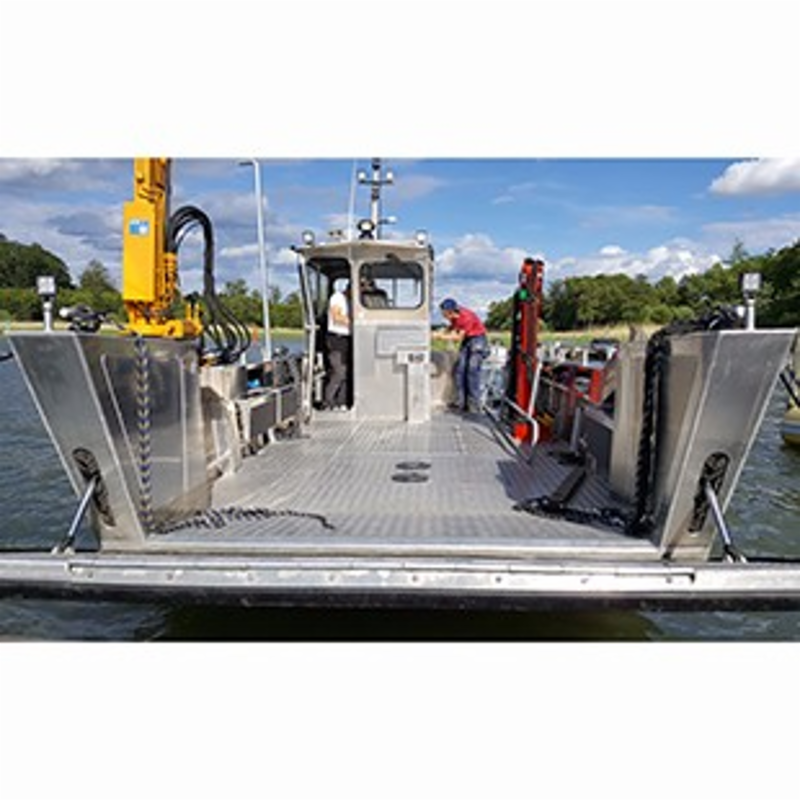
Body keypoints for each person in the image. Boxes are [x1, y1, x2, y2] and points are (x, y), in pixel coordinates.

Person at [440, 297, 489, 413]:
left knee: (472, 371)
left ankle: (474, 405)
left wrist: (440, 337)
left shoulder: (466, 317)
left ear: (450, 311)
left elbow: (458, 337)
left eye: (443, 313)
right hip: (468, 340)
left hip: (478, 340)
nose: (442, 315)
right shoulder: (454, 317)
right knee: (459, 371)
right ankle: (460, 402)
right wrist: (443, 331)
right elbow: (453, 327)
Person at [323, 280, 351, 409]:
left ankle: (342, 402)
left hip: (347, 339)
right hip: (336, 339)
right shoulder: (338, 297)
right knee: (339, 372)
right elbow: (336, 317)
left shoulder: (351, 301)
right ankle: (328, 402)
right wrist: (356, 322)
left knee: (347, 372)